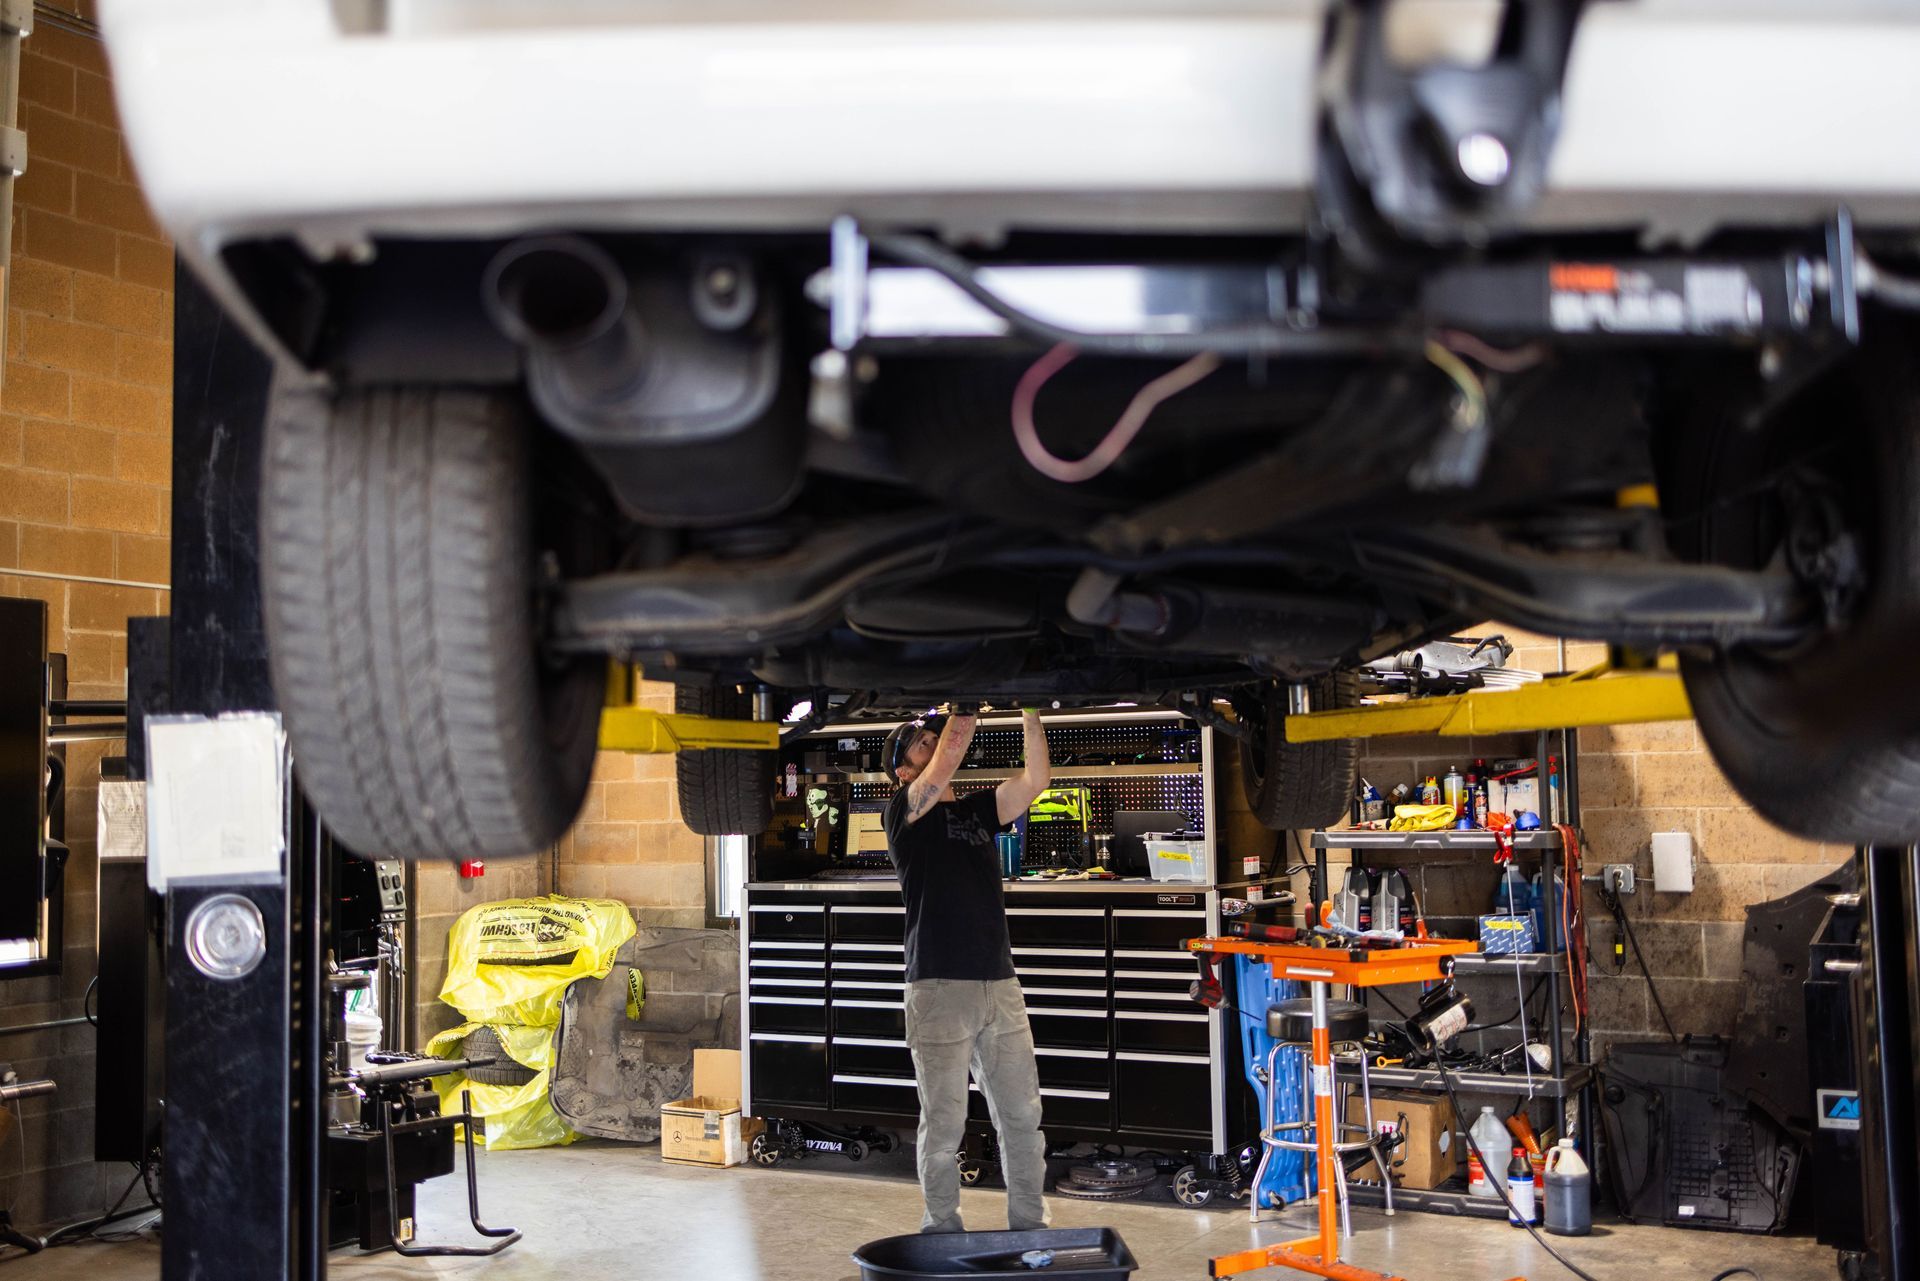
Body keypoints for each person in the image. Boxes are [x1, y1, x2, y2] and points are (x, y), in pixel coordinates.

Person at [881, 704, 1053, 1235]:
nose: (934, 743)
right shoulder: (904, 810)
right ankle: (941, 1230)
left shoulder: (977, 811)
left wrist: (1030, 710)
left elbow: (1036, 780)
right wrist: (968, 699)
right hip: (939, 987)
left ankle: (1029, 1228)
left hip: (999, 984)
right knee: (944, 1124)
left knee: (1023, 1118)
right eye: (921, 743)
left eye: (936, 738)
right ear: (904, 771)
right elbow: (950, 754)